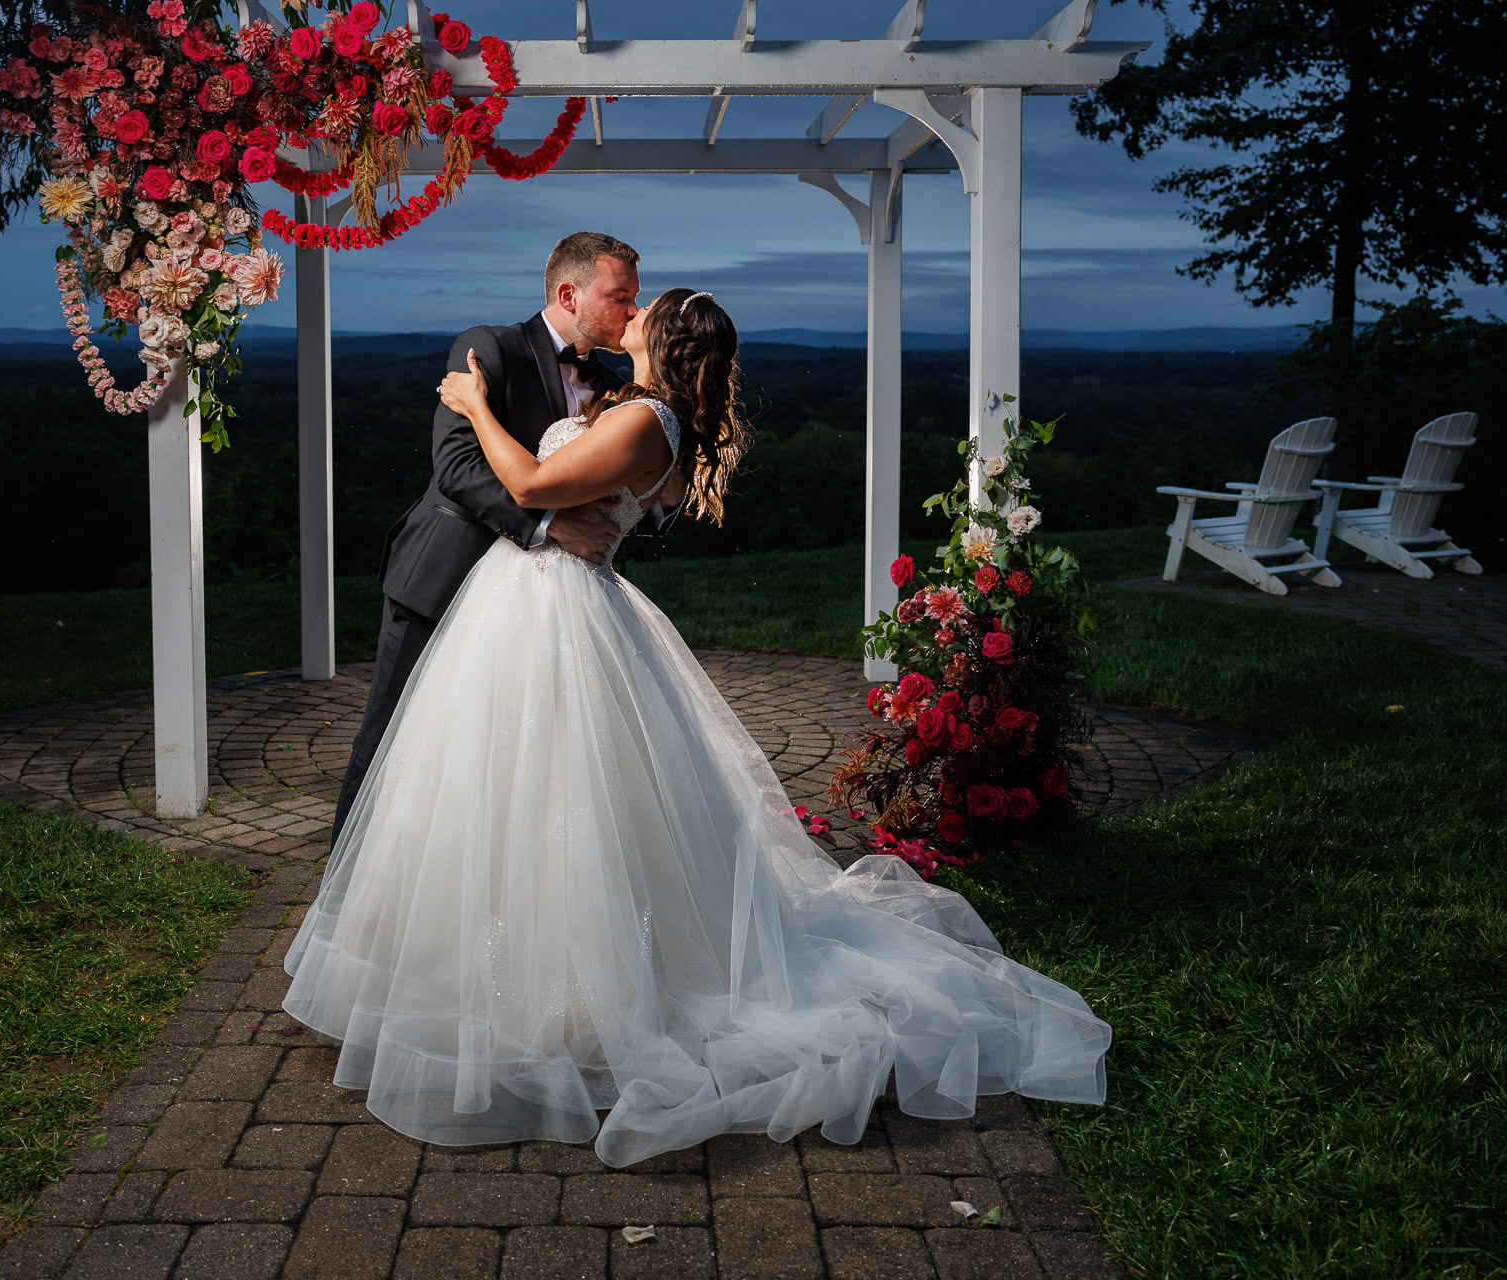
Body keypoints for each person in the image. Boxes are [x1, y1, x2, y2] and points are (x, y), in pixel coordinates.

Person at [283, 287, 1111, 1168]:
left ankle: (565, 991)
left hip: (555, 613)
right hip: (531, 604)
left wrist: (476, 404)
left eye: (646, 310)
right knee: (501, 790)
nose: (629, 313)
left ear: (666, 339)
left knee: (561, 795)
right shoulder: (641, 411)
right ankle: (473, 973)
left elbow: (526, 483)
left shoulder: (649, 422)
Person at [330, 231, 643, 839]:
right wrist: (552, 524)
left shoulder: (613, 384)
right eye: (619, 296)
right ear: (568, 293)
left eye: (635, 298)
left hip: (534, 603)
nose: (631, 311)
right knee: (393, 730)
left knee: (499, 743)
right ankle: (345, 879)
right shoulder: (489, 348)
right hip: (445, 573)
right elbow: (456, 466)